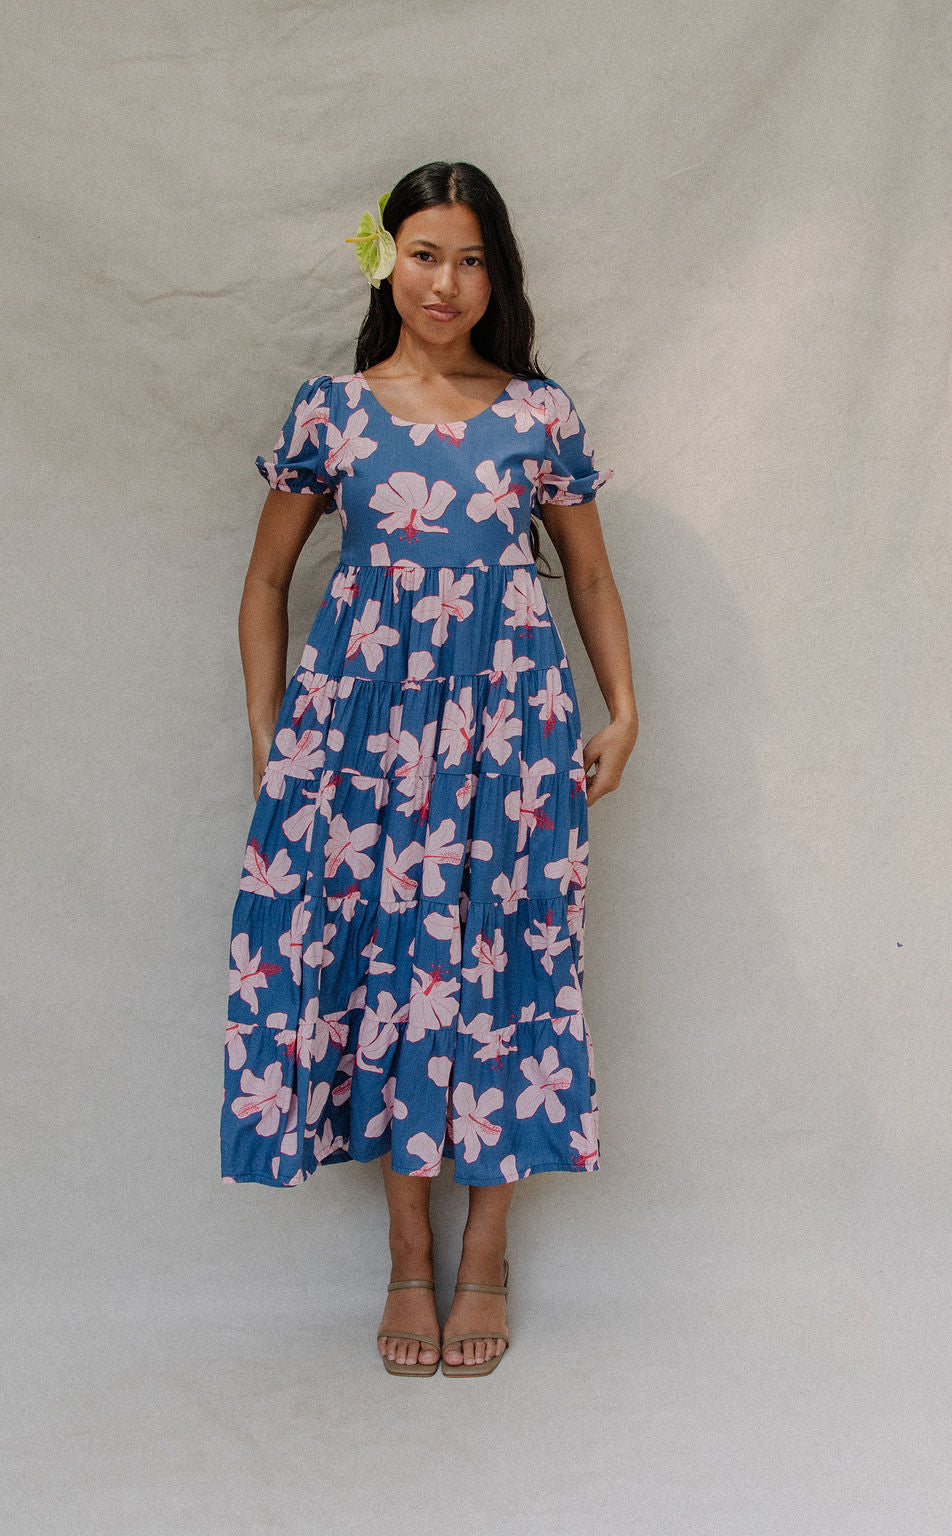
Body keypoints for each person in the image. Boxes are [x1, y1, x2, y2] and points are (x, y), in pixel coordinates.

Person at [221, 161, 638, 1378]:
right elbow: (264, 582)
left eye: (470, 260)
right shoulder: (332, 413)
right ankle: (409, 1251)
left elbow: (590, 575)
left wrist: (624, 710)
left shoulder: (538, 415)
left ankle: (486, 1249)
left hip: (509, 733)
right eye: (423, 254)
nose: (444, 283)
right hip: (361, 741)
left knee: (503, 959)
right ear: (383, 260)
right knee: (386, 964)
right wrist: (268, 736)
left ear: (495, 276)